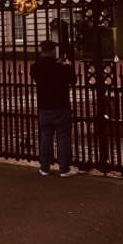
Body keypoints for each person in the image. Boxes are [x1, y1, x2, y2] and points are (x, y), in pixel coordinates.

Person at [30, 39, 77, 177]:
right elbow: (73, 80)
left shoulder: (35, 67)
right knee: (63, 137)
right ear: (51, 51)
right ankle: (64, 169)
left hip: (44, 107)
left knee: (45, 137)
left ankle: (44, 168)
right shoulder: (61, 67)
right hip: (61, 106)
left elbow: (37, 78)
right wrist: (68, 66)